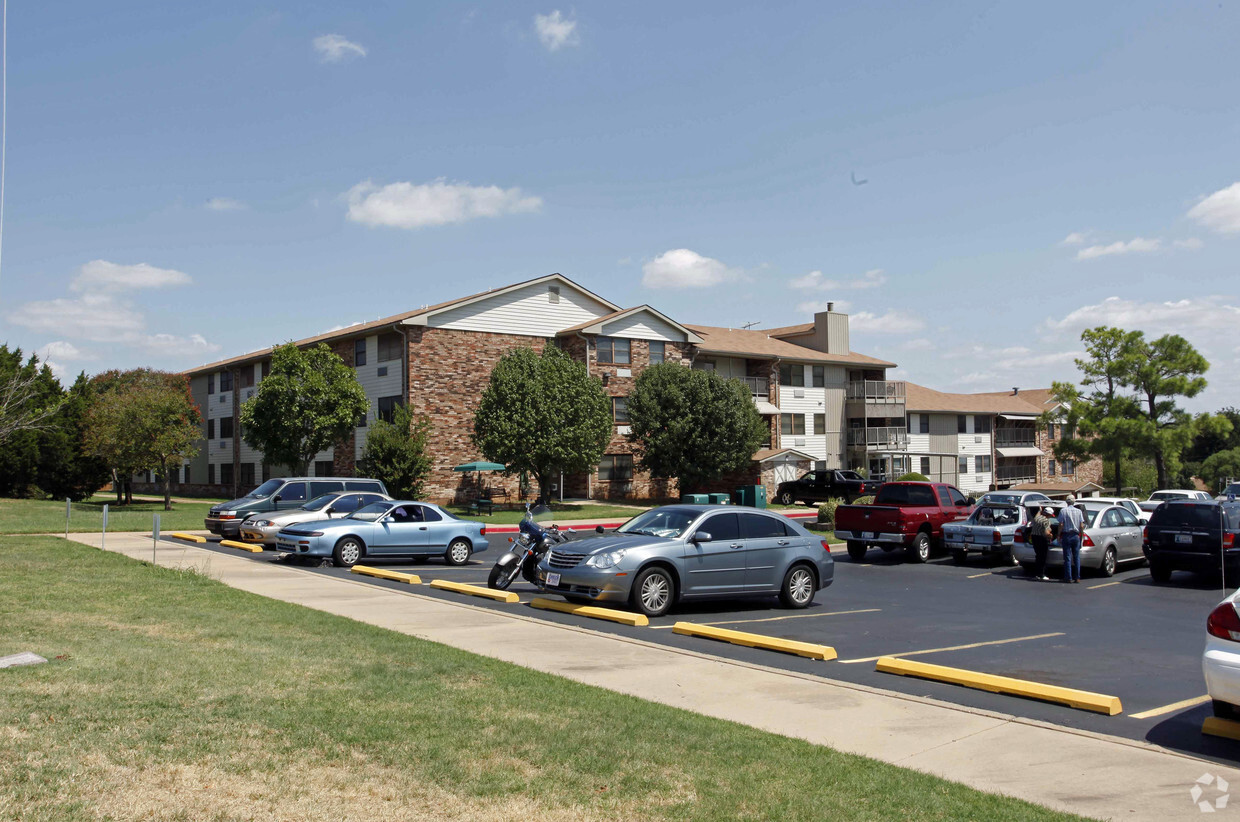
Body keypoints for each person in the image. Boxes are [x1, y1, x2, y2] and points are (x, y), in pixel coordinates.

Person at [1057, 494, 1086, 584]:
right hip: (1076, 535)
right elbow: (1081, 525)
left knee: (1067, 557)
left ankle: (1068, 577)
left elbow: (1061, 524)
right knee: (1077, 557)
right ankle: (1077, 577)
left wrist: (1058, 535)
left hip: (1066, 535)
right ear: (1074, 502)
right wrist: (1081, 535)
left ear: (1066, 502)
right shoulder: (1079, 512)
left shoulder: (1063, 511)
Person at [1030, 506, 1054, 581]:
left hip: (1034, 538)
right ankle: (1042, 574)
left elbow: (1037, 515)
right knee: (1042, 557)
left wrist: (1039, 509)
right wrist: (1051, 536)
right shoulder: (1046, 521)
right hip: (1041, 539)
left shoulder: (1037, 518)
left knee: (1038, 556)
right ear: (1048, 515)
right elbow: (1047, 533)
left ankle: (1037, 574)